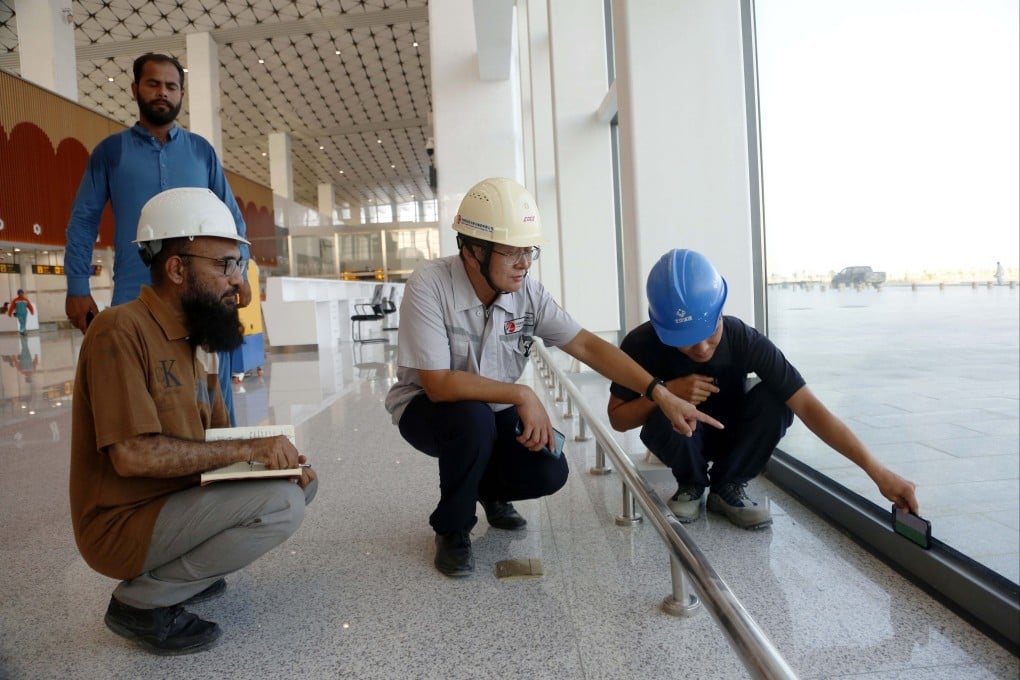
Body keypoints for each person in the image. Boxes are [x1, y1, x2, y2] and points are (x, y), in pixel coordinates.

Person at [384, 178, 722, 577]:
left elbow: (587, 347)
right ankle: (453, 529)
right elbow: (439, 384)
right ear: (473, 251)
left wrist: (660, 394)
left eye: (529, 250)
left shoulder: (529, 293)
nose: (525, 263)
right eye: (512, 253)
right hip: (428, 407)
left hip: (494, 406)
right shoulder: (430, 286)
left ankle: (489, 491)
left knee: (549, 469)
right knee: (471, 421)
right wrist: (523, 394)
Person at [69, 187, 317, 655]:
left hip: (174, 500)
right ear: (177, 268)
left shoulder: (191, 339)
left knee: (299, 484)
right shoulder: (120, 329)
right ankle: (142, 601)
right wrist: (250, 452)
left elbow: (216, 441)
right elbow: (132, 454)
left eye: (238, 266)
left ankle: (178, 577)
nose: (237, 283)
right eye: (224, 265)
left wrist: (274, 460)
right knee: (281, 506)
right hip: (121, 524)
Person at [608, 248, 919, 529]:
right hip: (679, 441)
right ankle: (690, 484)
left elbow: (808, 406)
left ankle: (727, 486)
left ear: (721, 312)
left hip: (732, 437)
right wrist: (665, 392)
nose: (702, 348)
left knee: (776, 397)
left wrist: (878, 472)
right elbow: (618, 419)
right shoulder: (641, 345)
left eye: (710, 331)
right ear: (662, 330)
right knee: (663, 407)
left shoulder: (743, 339)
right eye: (686, 340)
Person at [64, 52, 250, 425]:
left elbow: (231, 219)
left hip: (203, 291)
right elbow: (84, 220)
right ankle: (150, 467)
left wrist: (239, 273)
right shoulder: (110, 153)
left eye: (171, 86)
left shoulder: (201, 152)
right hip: (135, 291)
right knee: (135, 388)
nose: (162, 92)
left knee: (212, 389)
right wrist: (77, 285)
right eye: (153, 84)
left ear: (181, 93)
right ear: (135, 89)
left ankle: (223, 462)